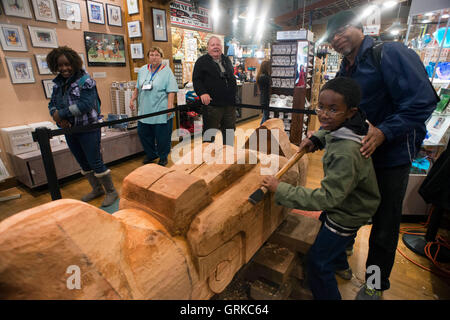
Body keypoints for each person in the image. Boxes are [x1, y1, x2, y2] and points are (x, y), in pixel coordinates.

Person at [325, 10, 438, 299]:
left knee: (385, 226)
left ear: (359, 27)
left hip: (391, 157)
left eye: (341, 31)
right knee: (342, 208)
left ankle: (375, 283)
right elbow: (340, 112)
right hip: (358, 154)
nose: (337, 40)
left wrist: (385, 131)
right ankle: (339, 258)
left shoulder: (389, 53)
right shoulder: (346, 68)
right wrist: (319, 135)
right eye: (332, 37)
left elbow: (423, 101)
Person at [262, 77, 381, 300]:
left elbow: (328, 199)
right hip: (351, 202)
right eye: (320, 107)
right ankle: (341, 265)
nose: (324, 114)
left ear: (350, 112)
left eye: (333, 109)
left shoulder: (346, 152)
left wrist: (281, 189)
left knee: (318, 262)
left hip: (347, 212)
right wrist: (316, 139)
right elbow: (332, 130)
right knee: (331, 233)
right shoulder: (352, 126)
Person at [46, 46, 118, 207]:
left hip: (88, 128)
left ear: (74, 63)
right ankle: (97, 189)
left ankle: (112, 192)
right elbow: (52, 104)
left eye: (67, 64)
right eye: (60, 65)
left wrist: (61, 114)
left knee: (95, 161)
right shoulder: (58, 84)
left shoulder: (86, 81)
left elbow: (86, 104)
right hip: (69, 129)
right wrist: (58, 119)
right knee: (83, 162)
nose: (64, 68)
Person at [130, 47, 178, 167]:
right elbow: (137, 87)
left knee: (162, 137)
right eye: (151, 55)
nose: (154, 57)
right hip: (145, 110)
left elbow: (171, 90)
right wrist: (132, 99)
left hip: (161, 109)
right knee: (144, 134)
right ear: (148, 57)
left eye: (157, 55)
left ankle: (163, 156)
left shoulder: (167, 71)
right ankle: (151, 154)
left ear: (161, 57)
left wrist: (169, 106)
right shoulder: (142, 70)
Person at [193, 36, 237, 146]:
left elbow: (231, 78)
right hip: (213, 105)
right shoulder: (201, 62)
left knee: (230, 132)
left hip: (229, 105)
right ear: (208, 47)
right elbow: (196, 80)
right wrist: (202, 92)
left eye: (218, 45)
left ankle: (228, 157)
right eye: (213, 45)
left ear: (221, 47)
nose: (215, 47)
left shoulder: (226, 60)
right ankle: (207, 159)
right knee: (209, 134)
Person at [256, 60, 272, 125]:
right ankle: (262, 133)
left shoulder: (261, 76)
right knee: (266, 118)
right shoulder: (265, 77)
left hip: (264, 99)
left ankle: (261, 132)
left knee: (265, 117)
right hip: (266, 99)